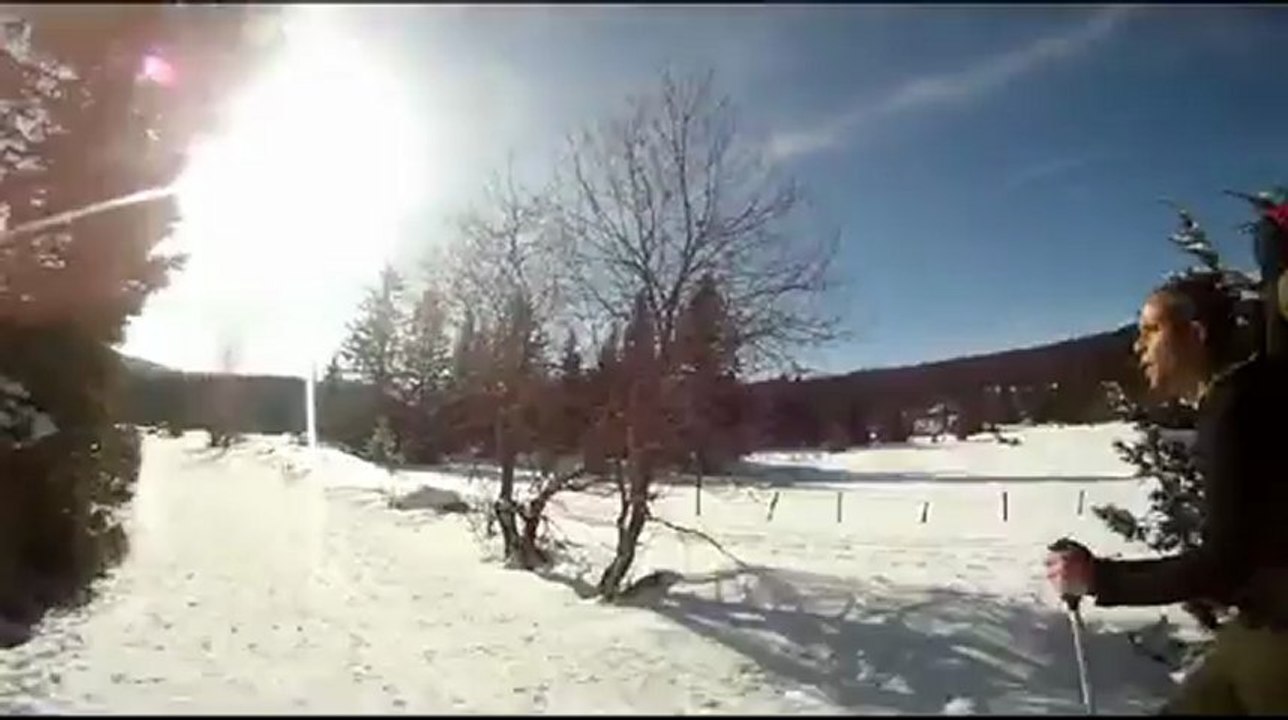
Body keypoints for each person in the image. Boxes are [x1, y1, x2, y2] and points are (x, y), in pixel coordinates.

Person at [1045, 272, 1288, 715]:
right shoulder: (1244, 395)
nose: (1139, 347)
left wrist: (1099, 578)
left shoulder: (1235, 411)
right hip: (1257, 624)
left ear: (1195, 334)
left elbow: (1223, 564)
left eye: (1151, 331)